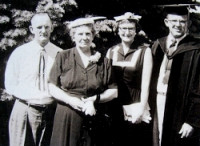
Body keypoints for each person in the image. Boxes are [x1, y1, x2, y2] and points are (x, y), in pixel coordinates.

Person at [48, 17, 117, 146]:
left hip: (94, 117)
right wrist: (71, 100)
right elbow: (52, 86)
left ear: (93, 36)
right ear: (73, 37)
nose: (84, 37)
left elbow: (113, 91)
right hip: (67, 116)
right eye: (80, 34)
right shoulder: (63, 56)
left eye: (88, 33)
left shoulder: (104, 61)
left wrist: (94, 99)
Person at [4, 13, 62, 146]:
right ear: (32, 29)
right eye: (39, 27)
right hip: (25, 109)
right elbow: (10, 83)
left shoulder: (59, 53)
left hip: (50, 111)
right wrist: (31, 98)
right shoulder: (20, 53)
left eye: (47, 27)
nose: (43, 31)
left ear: (52, 28)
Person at [149, 5, 200, 146]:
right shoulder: (157, 46)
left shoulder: (196, 49)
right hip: (157, 103)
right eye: (174, 21)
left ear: (188, 24)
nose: (178, 25)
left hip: (182, 109)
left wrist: (193, 121)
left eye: (182, 21)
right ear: (167, 23)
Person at [106, 12, 153, 146]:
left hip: (136, 104)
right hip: (115, 105)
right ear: (118, 30)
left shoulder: (144, 51)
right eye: (124, 28)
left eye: (131, 29)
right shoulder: (111, 51)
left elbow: (146, 84)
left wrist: (142, 108)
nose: (127, 32)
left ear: (135, 31)